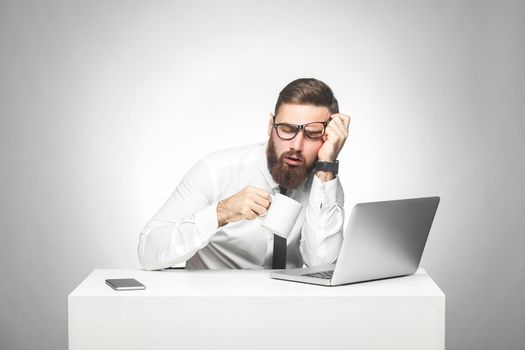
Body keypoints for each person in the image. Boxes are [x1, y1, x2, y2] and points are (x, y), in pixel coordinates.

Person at [138, 78, 351, 270]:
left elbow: (322, 265)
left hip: (286, 307)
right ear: (270, 125)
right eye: (286, 129)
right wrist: (221, 213)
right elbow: (148, 253)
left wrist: (326, 166)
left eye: (312, 134)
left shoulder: (324, 182)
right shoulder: (216, 171)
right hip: (212, 306)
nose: (296, 145)